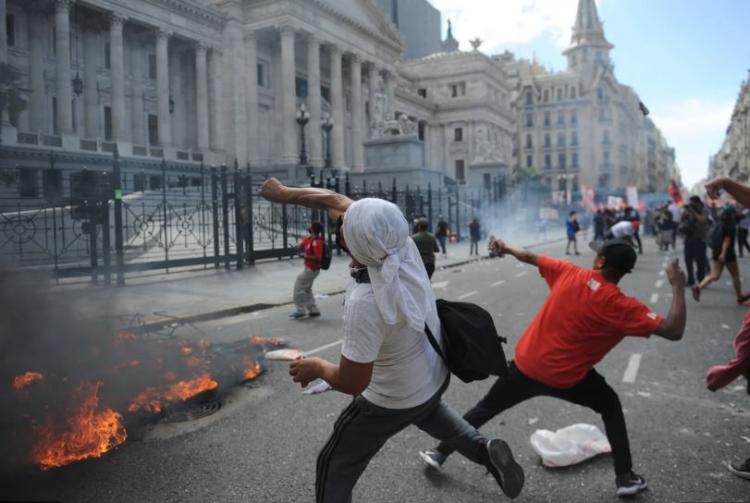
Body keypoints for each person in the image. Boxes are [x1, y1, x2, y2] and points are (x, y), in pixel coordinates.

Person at [258, 178, 525, 502]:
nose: (339, 223)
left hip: (387, 400)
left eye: (344, 227)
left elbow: (353, 381)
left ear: (355, 243)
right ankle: (485, 450)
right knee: (429, 413)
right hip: (429, 378)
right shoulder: (401, 247)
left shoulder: (366, 302)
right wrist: (285, 194)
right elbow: (334, 200)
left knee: (334, 463)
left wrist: (315, 366)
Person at [419, 238, 687, 498]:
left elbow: (531, 257)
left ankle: (439, 453)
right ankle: (625, 477)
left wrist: (505, 247)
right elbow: (674, 330)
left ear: (600, 260)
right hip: (568, 378)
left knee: (486, 407)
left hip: (527, 366)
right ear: (625, 272)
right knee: (610, 406)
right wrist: (677, 285)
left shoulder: (570, 272)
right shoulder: (624, 307)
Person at [692, 207, 750, 305]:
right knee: (736, 276)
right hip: (727, 254)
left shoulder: (719, 223)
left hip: (716, 252)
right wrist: (723, 254)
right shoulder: (730, 225)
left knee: (715, 275)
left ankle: (698, 287)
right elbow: (727, 240)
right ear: (732, 215)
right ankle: (740, 297)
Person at [290, 222, 325, 320]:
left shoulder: (317, 242)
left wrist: (305, 256)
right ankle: (313, 310)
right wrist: (296, 246)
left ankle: (301, 311)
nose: (308, 227)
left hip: (312, 269)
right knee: (307, 289)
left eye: (311, 226)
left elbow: (318, 258)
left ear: (314, 229)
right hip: (308, 268)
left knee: (299, 287)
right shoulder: (309, 239)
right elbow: (301, 245)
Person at [679, 196, 710, 288]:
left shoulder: (704, 210)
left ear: (698, 203)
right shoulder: (688, 211)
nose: (691, 205)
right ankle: (691, 280)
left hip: (700, 240)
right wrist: (685, 213)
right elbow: (682, 221)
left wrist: (693, 211)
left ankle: (701, 280)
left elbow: (702, 220)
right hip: (688, 240)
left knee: (700, 262)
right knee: (688, 261)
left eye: (693, 203)